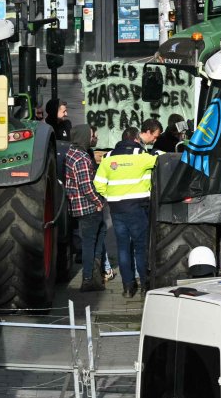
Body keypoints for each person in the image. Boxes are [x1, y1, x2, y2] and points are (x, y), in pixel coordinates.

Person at [94, 126, 158, 297]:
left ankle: (128, 288)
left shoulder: (108, 158)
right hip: (137, 208)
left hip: (117, 210)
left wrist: (111, 196)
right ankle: (145, 286)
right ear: (137, 139)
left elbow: (98, 183)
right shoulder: (143, 157)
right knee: (140, 248)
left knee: (123, 248)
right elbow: (162, 161)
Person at [63, 124, 106, 292]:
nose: (94, 138)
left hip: (81, 207)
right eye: (91, 135)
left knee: (97, 237)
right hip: (88, 207)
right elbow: (86, 186)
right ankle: (89, 279)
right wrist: (98, 202)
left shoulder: (72, 153)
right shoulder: (81, 158)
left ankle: (94, 276)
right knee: (90, 243)